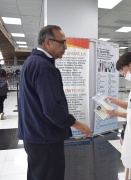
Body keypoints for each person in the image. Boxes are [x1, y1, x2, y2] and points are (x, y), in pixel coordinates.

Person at [18, 25, 91, 180]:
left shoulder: (30, 62)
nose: (65, 47)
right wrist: (76, 123)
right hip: (45, 138)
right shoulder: (45, 67)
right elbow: (51, 108)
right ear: (48, 42)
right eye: (62, 42)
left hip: (33, 135)